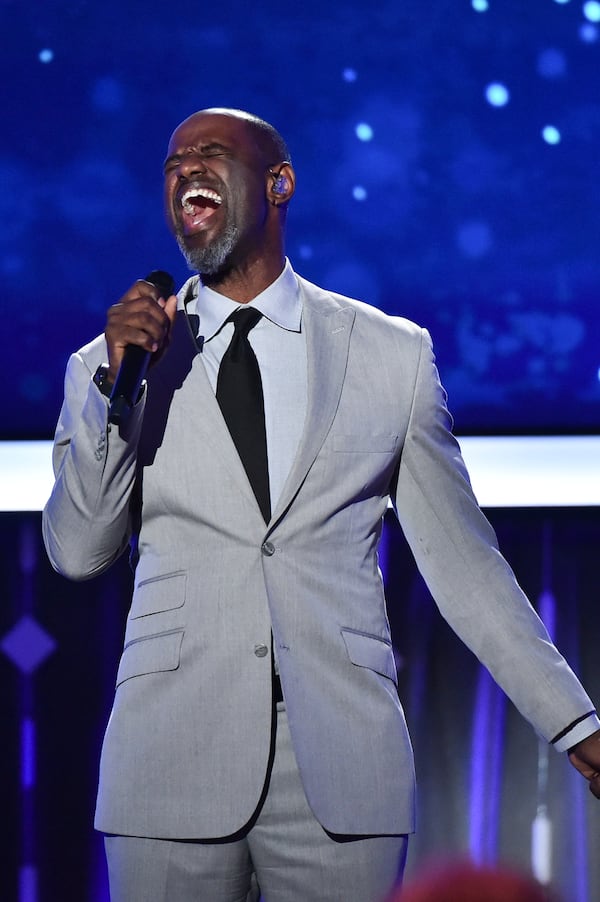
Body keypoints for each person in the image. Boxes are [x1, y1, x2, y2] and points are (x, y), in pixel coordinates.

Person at [42, 107, 600, 902]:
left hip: (341, 767)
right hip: (170, 757)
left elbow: (465, 567)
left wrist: (573, 722)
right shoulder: (110, 365)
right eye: (172, 162)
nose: (184, 170)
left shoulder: (390, 355)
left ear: (279, 183)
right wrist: (114, 397)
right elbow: (78, 550)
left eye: (209, 153)